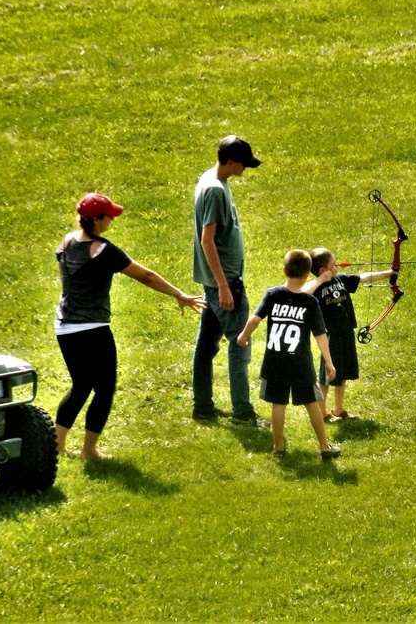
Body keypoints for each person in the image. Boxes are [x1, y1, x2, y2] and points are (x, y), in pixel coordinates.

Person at [55, 193, 206, 460]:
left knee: (80, 386)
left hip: (65, 327)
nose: (112, 219)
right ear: (96, 219)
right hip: (93, 329)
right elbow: (146, 276)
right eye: (108, 216)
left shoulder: (66, 242)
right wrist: (178, 294)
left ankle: (57, 445)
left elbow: (65, 281)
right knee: (104, 389)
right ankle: (88, 451)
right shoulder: (103, 250)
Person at [191, 135, 267, 427]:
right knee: (240, 344)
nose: (245, 170)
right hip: (225, 284)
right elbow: (207, 240)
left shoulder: (211, 180)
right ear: (231, 161)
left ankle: (203, 408)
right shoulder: (213, 190)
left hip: (215, 282)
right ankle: (243, 414)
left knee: (206, 346)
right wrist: (224, 285)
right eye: (243, 165)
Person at [236, 250, 341, 459]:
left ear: (284, 270)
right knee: (312, 402)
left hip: (275, 361)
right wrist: (329, 362)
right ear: (307, 275)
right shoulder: (310, 303)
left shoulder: (272, 294)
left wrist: (243, 335)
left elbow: (256, 319)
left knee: (279, 403)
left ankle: (278, 447)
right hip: (300, 362)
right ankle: (324, 448)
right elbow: (320, 334)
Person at [303, 247, 395, 421]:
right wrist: (320, 280)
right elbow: (302, 294)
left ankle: (338, 409)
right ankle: (322, 413)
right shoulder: (315, 287)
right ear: (323, 270)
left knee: (343, 372)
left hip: (346, 332)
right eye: (334, 264)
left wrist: (390, 273)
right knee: (327, 375)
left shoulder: (342, 279)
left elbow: (365, 277)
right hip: (330, 336)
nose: (338, 266)